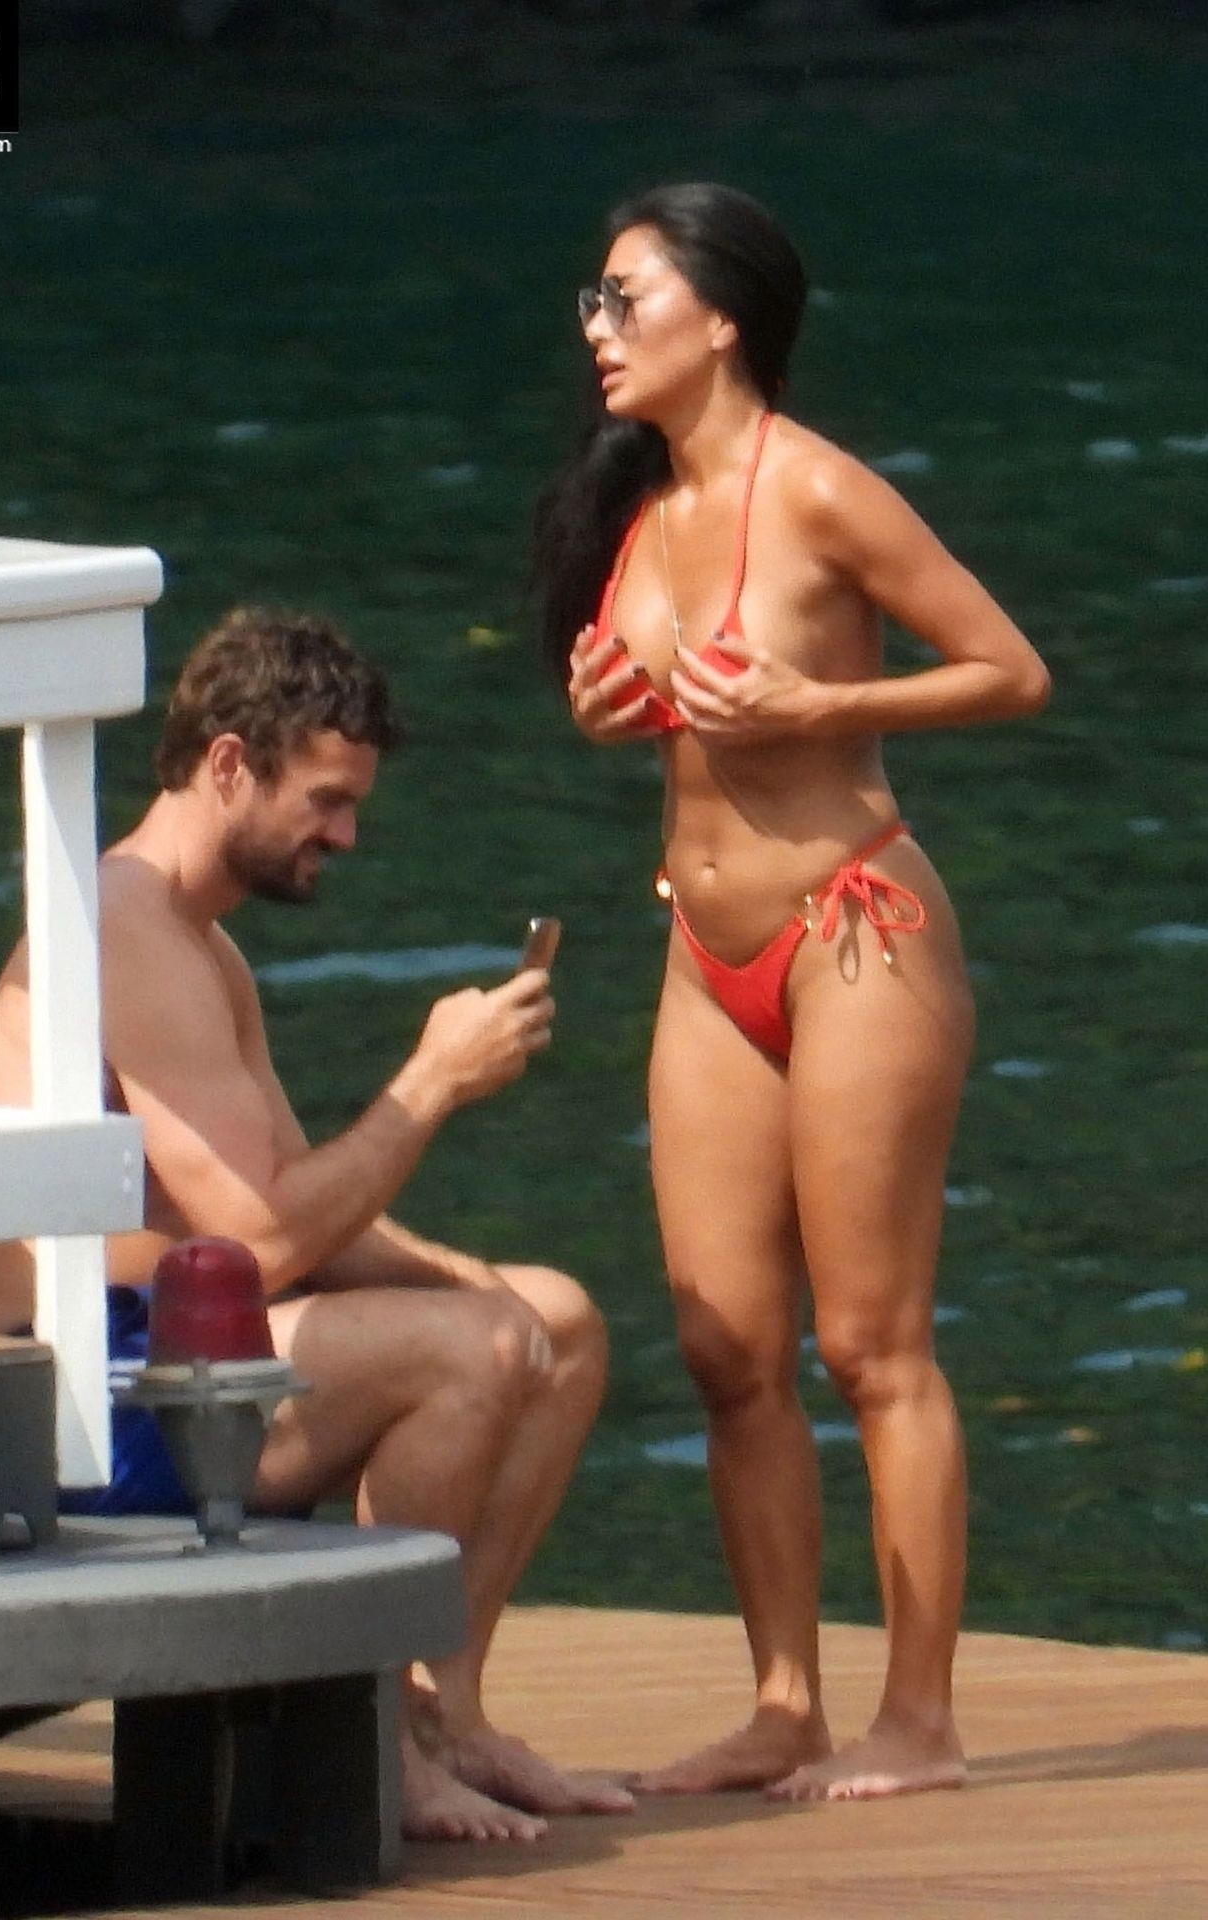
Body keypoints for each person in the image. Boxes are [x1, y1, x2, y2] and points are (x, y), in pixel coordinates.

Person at [0, 607, 633, 1843]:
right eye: (326, 800)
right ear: (228, 764)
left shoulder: (200, 947)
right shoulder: (122, 929)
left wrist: (468, 1275)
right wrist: (430, 1083)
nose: (346, 834)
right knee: (474, 1348)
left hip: (173, 1345)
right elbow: (263, 1245)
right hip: (77, 1401)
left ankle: (448, 1714)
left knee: (556, 1323)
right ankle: (376, 1739)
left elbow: (298, 1214)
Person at [534, 183, 1050, 1802]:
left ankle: (920, 1721)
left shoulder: (818, 489)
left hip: (852, 933)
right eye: (593, 302)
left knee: (870, 1345)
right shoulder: (641, 510)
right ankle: (781, 1705)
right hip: (702, 953)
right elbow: (656, 708)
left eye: (626, 297)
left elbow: (1010, 669)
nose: (597, 328)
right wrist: (604, 712)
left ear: (723, 316)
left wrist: (822, 702)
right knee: (723, 1347)